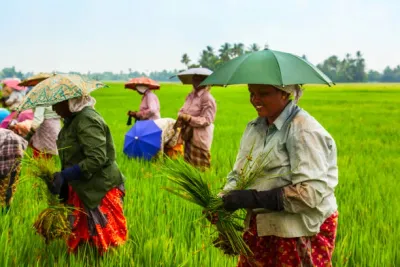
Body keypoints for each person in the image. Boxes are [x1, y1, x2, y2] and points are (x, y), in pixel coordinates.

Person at [219, 84, 338, 266]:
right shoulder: (254, 127)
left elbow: (310, 193)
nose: (255, 100)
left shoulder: (303, 130)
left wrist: (252, 198)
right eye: (252, 93)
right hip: (261, 226)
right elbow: (239, 173)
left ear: (285, 94)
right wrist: (223, 199)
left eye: (263, 93)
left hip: (299, 229)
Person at [50, 95, 127, 253]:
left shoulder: (87, 120)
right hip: (83, 186)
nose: (53, 108)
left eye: (57, 103)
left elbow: (97, 158)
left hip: (100, 188)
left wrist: (67, 174)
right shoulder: (72, 120)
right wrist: (63, 178)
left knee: (108, 243)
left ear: (70, 101)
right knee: (83, 240)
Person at [177, 75, 216, 169]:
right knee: (188, 167)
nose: (195, 82)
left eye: (199, 80)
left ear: (205, 82)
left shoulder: (207, 98)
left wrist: (189, 119)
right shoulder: (191, 95)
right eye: (194, 79)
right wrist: (181, 115)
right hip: (188, 135)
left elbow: (207, 119)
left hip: (199, 137)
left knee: (201, 169)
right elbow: (183, 110)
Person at [0, 128, 28, 213]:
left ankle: (5, 213)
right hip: (10, 148)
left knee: (7, 190)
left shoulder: (10, 141)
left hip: (12, 156)